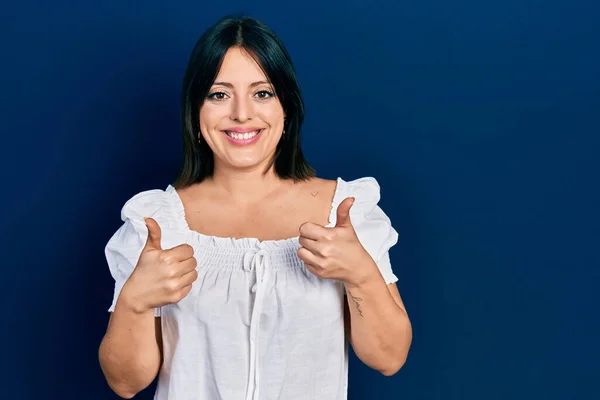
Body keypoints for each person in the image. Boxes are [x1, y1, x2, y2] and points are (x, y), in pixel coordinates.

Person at [98, 15, 412, 400]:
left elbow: (389, 357)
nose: (242, 113)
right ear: (196, 114)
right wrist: (134, 301)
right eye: (219, 94)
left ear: (287, 110)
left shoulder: (344, 212)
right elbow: (125, 383)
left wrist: (362, 274)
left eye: (262, 93)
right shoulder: (155, 224)